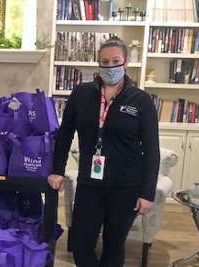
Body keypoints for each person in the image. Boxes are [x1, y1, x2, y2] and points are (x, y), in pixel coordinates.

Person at [47, 36, 160, 267]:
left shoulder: (141, 101)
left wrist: (147, 193)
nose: (110, 67)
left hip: (126, 186)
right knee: (80, 244)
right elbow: (65, 134)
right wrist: (57, 170)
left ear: (126, 62)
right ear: (98, 63)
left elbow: (151, 150)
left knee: (114, 245)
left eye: (116, 61)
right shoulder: (81, 94)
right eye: (104, 62)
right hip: (90, 182)